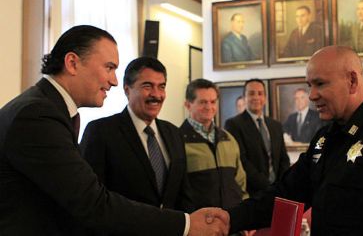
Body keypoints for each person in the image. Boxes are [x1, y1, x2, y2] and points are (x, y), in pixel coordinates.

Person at [0, 25, 228, 236]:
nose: (114, 81)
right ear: (72, 63)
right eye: (109, 68)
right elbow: (93, 203)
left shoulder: (45, 107)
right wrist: (186, 224)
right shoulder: (38, 115)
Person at [227, 46, 363, 235]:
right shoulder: (326, 138)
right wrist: (229, 219)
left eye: (320, 84)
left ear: (352, 81)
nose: (312, 95)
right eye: (309, 85)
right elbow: (287, 192)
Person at [80, 56, 195, 232]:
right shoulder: (100, 132)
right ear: (127, 90)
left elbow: (183, 193)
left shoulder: (174, 133)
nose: (156, 95)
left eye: (161, 86)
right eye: (147, 86)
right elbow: (92, 200)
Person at [180, 78, 248, 210]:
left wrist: (245, 213)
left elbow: (240, 182)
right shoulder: (177, 140)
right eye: (203, 102)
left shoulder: (228, 139)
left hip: (232, 221)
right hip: (200, 224)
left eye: (213, 102)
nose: (209, 107)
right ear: (188, 105)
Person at [225, 79, 290, 196]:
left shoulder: (275, 125)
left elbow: (283, 158)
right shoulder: (233, 124)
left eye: (260, 93)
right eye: (251, 93)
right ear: (244, 97)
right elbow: (242, 160)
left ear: (265, 98)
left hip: (278, 191)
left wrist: (281, 184)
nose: (256, 97)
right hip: (251, 192)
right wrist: (267, 186)